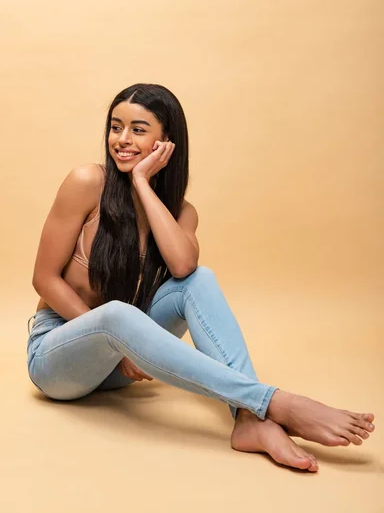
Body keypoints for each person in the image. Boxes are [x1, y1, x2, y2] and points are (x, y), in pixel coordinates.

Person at [27, 83, 375, 473]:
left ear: (166, 143)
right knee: (115, 314)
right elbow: (44, 278)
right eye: (115, 127)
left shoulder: (182, 212)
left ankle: (248, 420)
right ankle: (273, 402)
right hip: (59, 357)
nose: (122, 140)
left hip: (120, 365)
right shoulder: (86, 182)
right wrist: (119, 342)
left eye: (138, 130)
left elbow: (182, 269)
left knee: (199, 279)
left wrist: (142, 183)